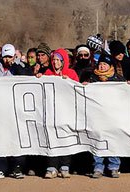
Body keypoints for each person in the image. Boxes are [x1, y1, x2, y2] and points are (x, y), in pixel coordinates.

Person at [0, 44, 32, 180]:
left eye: (10, 56)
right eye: (5, 56)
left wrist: (15, 65)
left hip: (16, 109)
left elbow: (27, 76)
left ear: (14, 56)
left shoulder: (21, 66)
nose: (7, 59)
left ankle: (17, 168)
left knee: (17, 139)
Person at [36, 49, 78, 178]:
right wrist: (38, 78)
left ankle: (65, 166)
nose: (55, 62)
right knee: (51, 138)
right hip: (50, 112)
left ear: (64, 61)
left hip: (67, 112)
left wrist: (69, 82)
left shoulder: (71, 73)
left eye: (58, 60)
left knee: (66, 138)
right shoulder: (47, 73)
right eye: (54, 60)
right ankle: (51, 166)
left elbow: (78, 89)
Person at [82, 53, 124, 178]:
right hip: (97, 115)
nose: (101, 67)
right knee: (97, 140)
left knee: (113, 141)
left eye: (104, 64)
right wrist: (84, 86)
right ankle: (98, 167)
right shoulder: (92, 78)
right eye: (100, 64)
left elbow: (125, 94)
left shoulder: (118, 79)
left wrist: (129, 86)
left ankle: (113, 166)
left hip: (113, 116)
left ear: (110, 66)